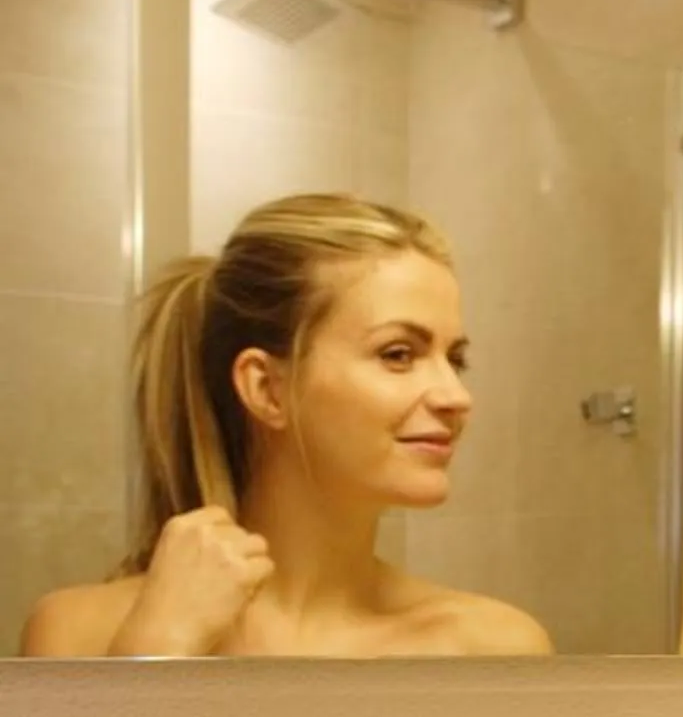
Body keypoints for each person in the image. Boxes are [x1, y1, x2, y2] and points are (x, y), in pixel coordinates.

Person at [20, 193, 551, 657]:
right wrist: (155, 652)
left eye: (454, 359)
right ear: (267, 388)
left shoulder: (492, 648)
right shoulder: (79, 633)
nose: (456, 397)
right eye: (398, 354)